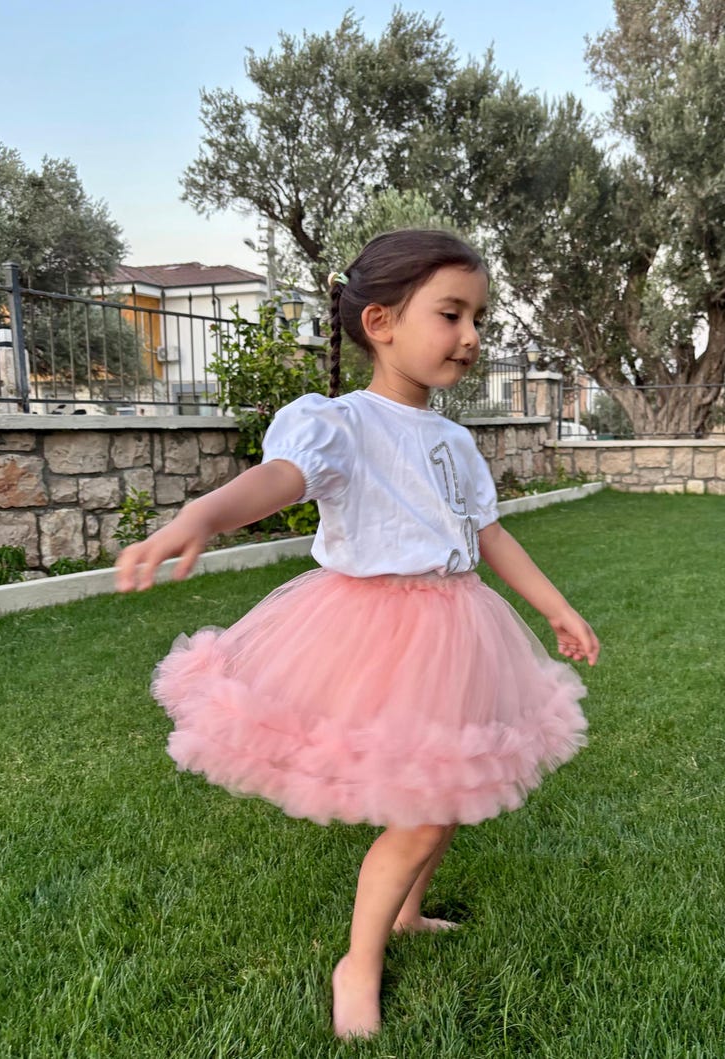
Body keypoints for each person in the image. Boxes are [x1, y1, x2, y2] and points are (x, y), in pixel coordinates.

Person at [115, 229, 600, 1041]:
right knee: (424, 808)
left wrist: (555, 606)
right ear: (380, 322)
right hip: (376, 631)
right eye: (451, 314)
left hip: (458, 625)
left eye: (478, 318)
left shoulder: (453, 440)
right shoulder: (339, 423)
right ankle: (359, 960)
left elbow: (487, 532)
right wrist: (202, 514)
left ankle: (407, 911)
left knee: (447, 784)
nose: (470, 336)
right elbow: (278, 479)